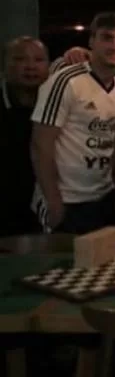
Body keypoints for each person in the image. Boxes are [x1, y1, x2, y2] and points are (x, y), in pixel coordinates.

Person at [30, 12, 115, 234]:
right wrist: (52, 200)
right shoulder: (65, 81)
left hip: (103, 198)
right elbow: (41, 144)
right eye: (107, 38)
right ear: (91, 41)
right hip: (66, 198)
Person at [0, 36, 50, 236]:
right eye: (20, 59)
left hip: (44, 205)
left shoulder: (57, 103)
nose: (30, 67)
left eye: (39, 60)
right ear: (4, 65)